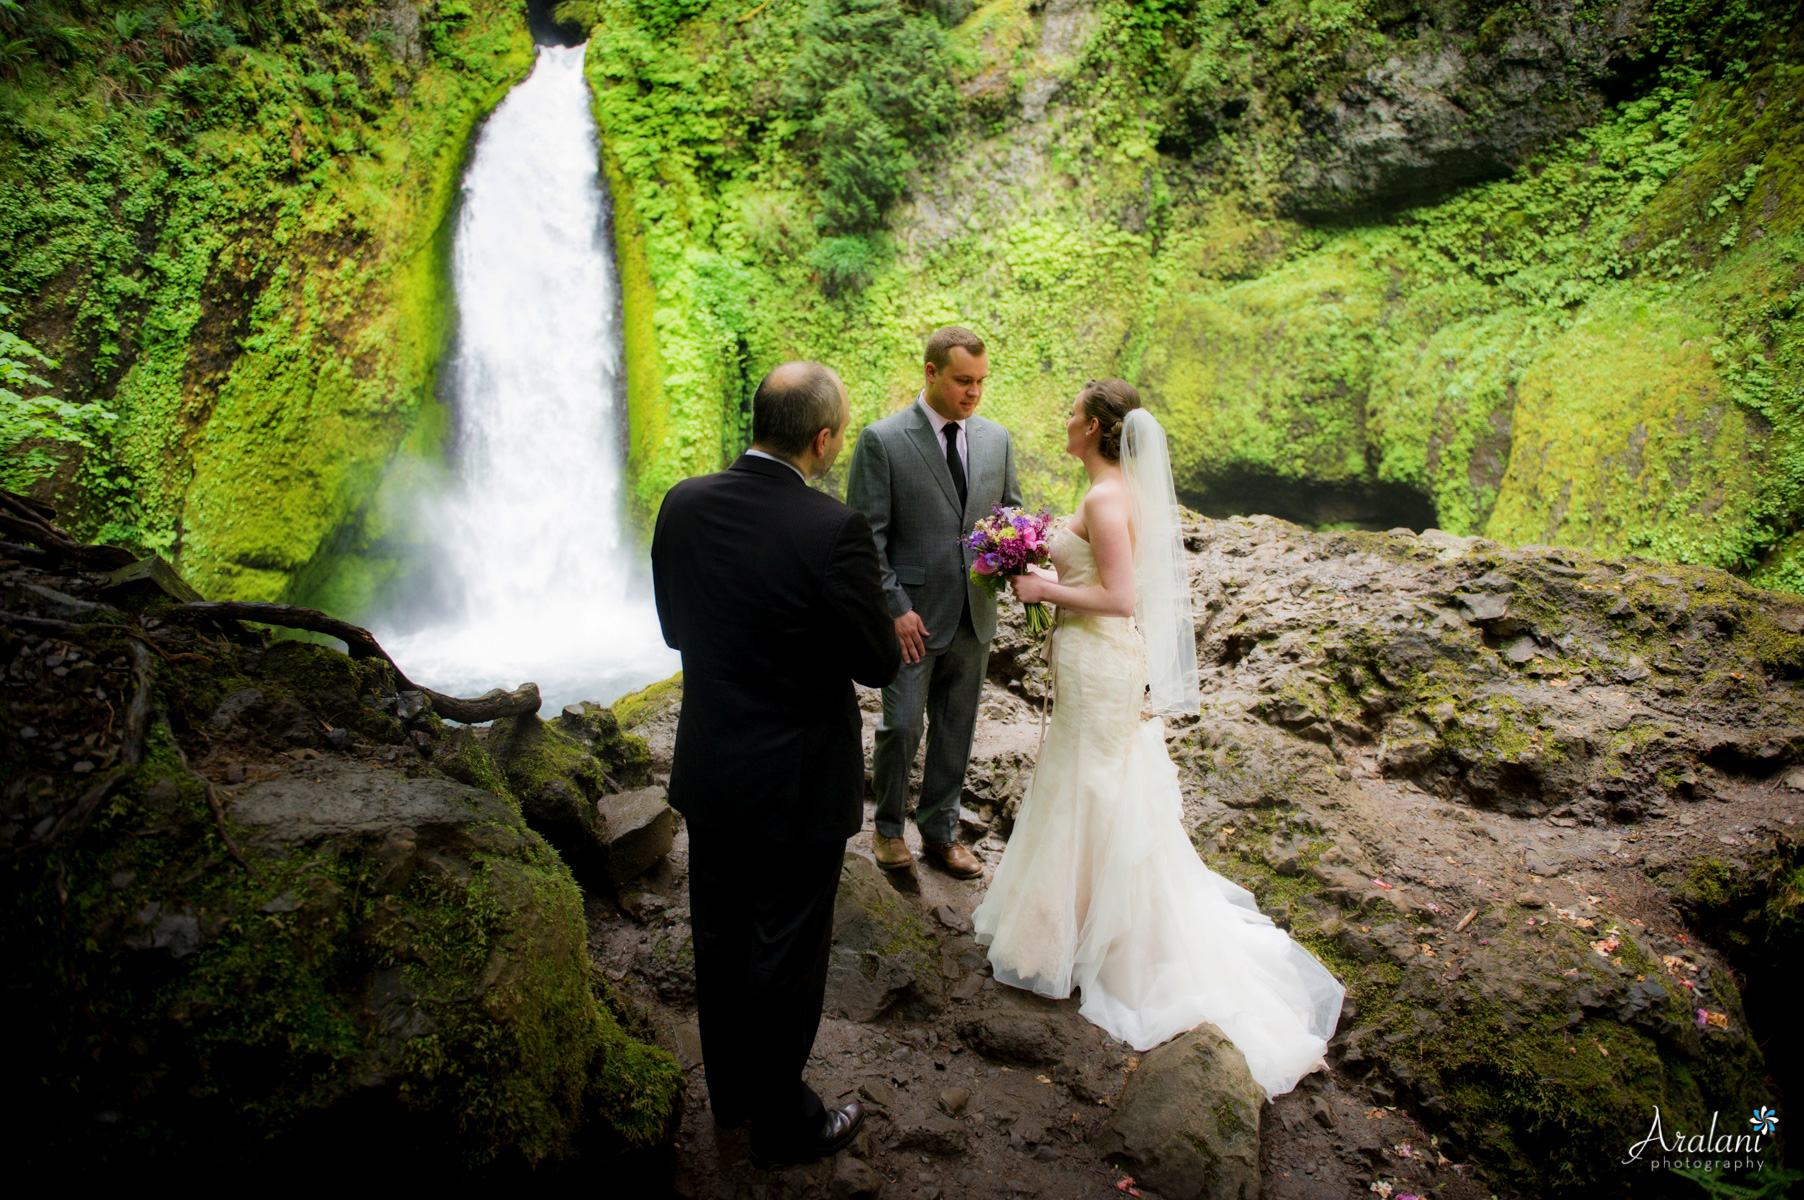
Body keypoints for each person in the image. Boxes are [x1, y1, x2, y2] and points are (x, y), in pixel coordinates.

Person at [971, 379, 1345, 1099]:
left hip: (1101, 657)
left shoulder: (1109, 500)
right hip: (1094, 660)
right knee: (1085, 780)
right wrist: (1044, 567)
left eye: (1074, 412)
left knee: (1095, 784)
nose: (1065, 419)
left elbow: (1119, 597)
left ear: (1098, 427)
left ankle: (1105, 941)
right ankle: (1077, 924)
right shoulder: (1111, 492)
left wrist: (1045, 590)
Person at [651, 361, 900, 1161]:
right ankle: (784, 1124)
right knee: (786, 950)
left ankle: (730, 1102)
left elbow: (674, 628)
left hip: (714, 767)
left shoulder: (683, 504)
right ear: (823, 440)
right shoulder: (833, 528)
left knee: (719, 942)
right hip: (798, 780)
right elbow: (875, 663)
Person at [845, 326, 1022, 879]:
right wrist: (895, 607)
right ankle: (888, 829)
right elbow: (865, 538)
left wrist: (1010, 553)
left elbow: (1009, 512)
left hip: (975, 611)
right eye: (963, 381)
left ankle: (941, 833)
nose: (974, 393)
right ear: (931, 373)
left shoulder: (996, 439)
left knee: (957, 727)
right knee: (901, 726)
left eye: (981, 382)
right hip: (910, 620)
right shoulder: (883, 440)